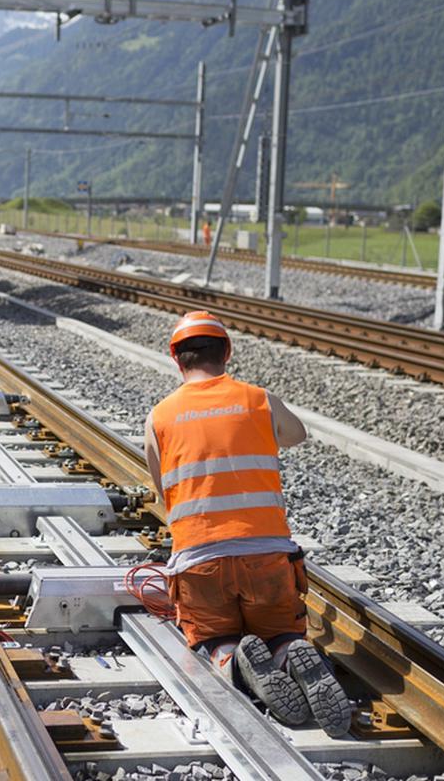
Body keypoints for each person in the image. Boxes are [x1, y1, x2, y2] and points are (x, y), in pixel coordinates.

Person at [143, 310, 351, 736]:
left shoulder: (159, 416)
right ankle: (289, 654)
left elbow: (164, 493)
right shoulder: (258, 398)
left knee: (213, 637)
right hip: (268, 562)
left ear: (177, 360)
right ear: (227, 354)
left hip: (201, 566)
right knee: (280, 632)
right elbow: (297, 435)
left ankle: (233, 659)